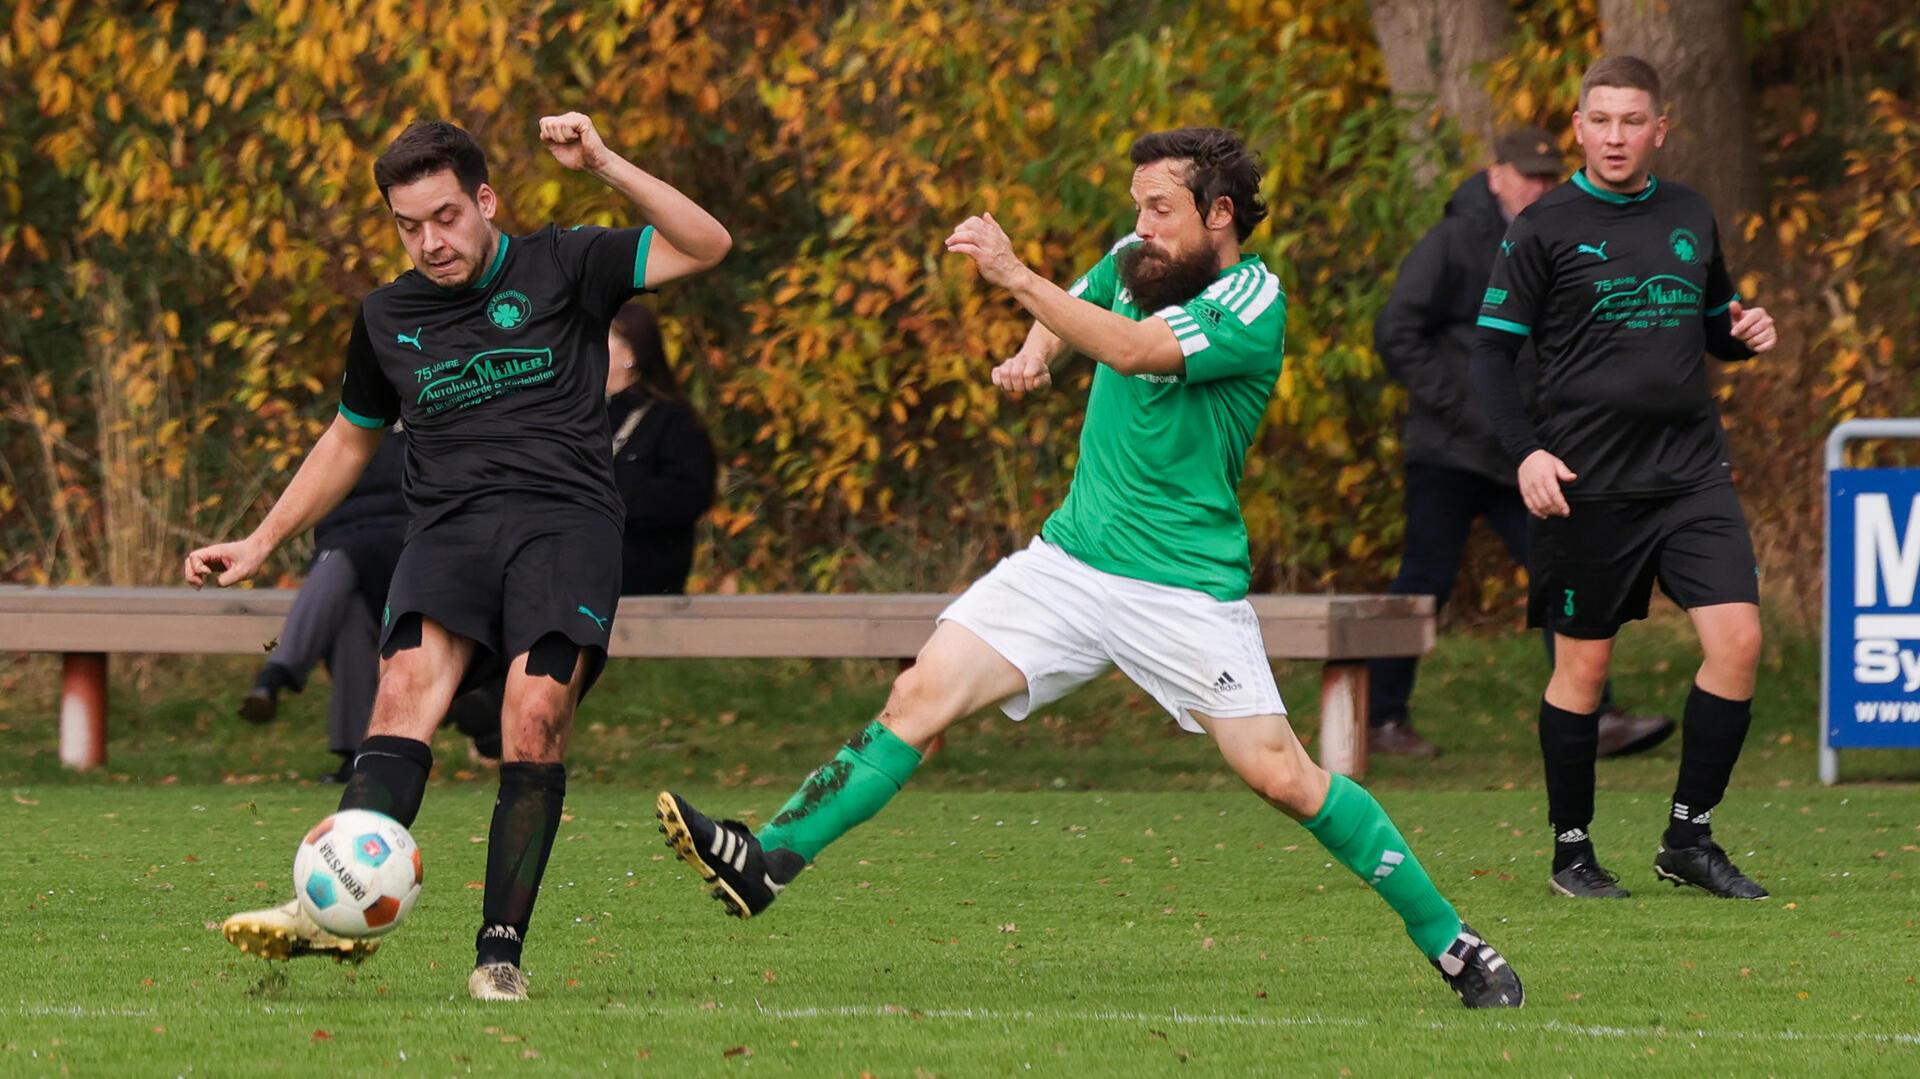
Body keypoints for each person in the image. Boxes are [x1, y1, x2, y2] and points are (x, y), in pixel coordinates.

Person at [657, 128, 1522, 1009]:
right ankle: (766, 859)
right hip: (1067, 565)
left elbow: (1133, 349)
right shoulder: (1137, 257)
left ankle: (1448, 939)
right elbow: (1081, 303)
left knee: (1284, 777)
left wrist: (1014, 274)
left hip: (1183, 590)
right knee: (918, 696)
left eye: (1160, 209)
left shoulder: (1255, 301)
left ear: (1219, 214)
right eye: (1137, 206)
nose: (1140, 225)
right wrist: (1034, 351)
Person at [184, 114, 730, 1000]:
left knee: (534, 714)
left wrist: (601, 163)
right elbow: (349, 440)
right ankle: (329, 909)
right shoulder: (387, 314)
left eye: (444, 217)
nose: (429, 242)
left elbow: (706, 243)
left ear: (485, 200)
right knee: (399, 699)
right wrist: (260, 539)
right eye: (408, 226)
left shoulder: (567, 261)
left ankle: (498, 955)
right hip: (448, 531)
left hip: (566, 524)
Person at [1471, 57, 1777, 901]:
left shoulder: (1689, 213)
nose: (1615, 136)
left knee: (1740, 643)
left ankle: (1690, 836)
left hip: (1690, 477)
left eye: (1632, 120)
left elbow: (1714, 323)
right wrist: (1526, 451)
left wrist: (1744, 329)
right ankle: (1573, 852)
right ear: (1578, 127)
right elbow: (1490, 354)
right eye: (1600, 120)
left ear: (1660, 129)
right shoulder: (1542, 226)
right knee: (1584, 673)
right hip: (1586, 484)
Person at [1370, 129, 1674, 760]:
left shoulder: (1560, 236)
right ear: (1495, 175)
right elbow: (1397, 330)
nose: (1539, 185)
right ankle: (1379, 720)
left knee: (1561, 573)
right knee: (1424, 582)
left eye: (1547, 175)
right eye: (1527, 175)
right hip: (1448, 453)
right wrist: (1458, 406)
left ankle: (1594, 716)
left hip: (1524, 453)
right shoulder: (1453, 240)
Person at [443, 303, 717, 759]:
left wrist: (605, 504)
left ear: (631, 352)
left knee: (550, 575)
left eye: (598, 339)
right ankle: (478, 691)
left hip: (644, 560)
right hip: (573, 557)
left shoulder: (672, 421)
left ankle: (489, 701)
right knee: (509, 569)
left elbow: (689, 498)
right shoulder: (576, 416)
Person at [239, 430, 408, 780]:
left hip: (407, 548)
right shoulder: (348, 433)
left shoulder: (432, 427)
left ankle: (276, 675)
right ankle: (358, 757)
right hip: (354, 551)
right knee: (349, 613)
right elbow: (322, 505)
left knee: (340, 558)